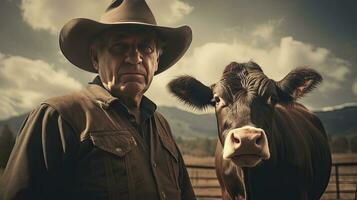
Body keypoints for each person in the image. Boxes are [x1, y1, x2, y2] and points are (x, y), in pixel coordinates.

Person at [0, 0, 195, 199]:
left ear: (156, 61)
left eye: (146, 48)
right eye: (120, 47)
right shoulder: (58, 117)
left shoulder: (162, 126)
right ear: (95, 57)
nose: (135, 58)